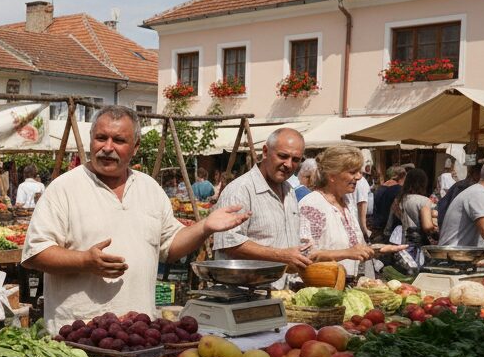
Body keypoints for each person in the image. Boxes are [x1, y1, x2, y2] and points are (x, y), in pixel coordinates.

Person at [22, 105, 249, 329]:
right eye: (101, 138)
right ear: (91, 139)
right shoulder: (64, 188)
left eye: (119, 140)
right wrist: (85, 261)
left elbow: (170, 246)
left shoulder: (149, 188)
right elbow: (36, 253)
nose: (107, 147)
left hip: (138, 333)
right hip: (78, 334)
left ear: (135, 147)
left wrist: (204, 228)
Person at [212, 127, 310, 281]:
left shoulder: (290, 191)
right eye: (283, 156)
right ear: (265, 152)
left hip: (279, 292)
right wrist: (281, 256)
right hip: (245, 294)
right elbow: (228, 242)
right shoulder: (240, 190)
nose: (289, 164)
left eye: (296, 159)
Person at [298, 146, 397, 278]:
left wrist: (376, 250)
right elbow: (306, 254)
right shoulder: (312, 205)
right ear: (332, 176)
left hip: (347, 286)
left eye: (359, 171)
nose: (359, 176)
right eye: (352, 172)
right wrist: (347, 253)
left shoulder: (347, 202)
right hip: (322, 289)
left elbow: (354, 250)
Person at [394, 167, 436, 249]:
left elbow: (390, 224)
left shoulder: (398, 200)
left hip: (400, 243)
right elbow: (427, 226)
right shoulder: (424, 201)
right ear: (424, 183)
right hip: (417, 245)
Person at [369, 165, 406, 240]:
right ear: (401, 176)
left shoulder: (379, 188)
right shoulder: (398, 190)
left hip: (378, 226)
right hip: (391, 230)